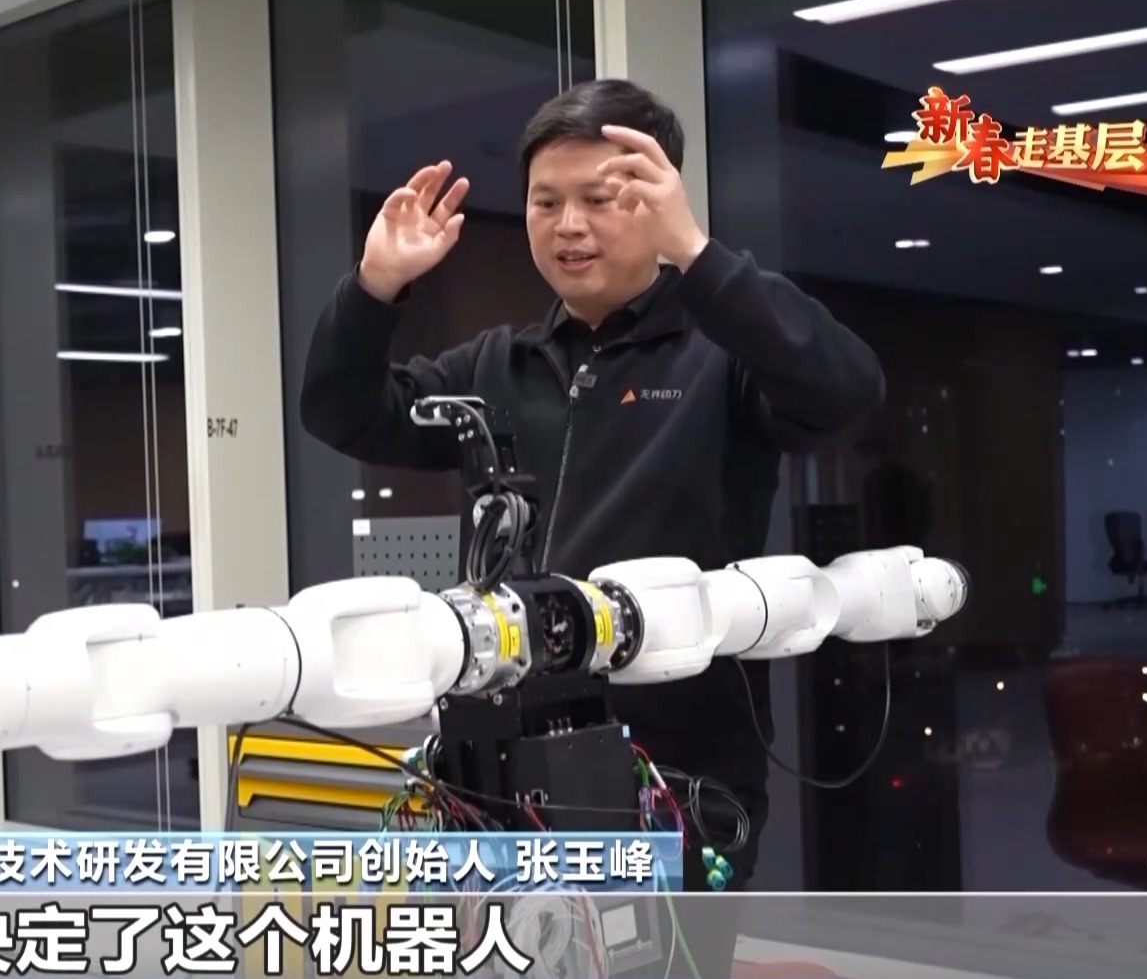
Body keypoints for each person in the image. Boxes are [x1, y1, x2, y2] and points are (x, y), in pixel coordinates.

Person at [300, 79, 884, 973]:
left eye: (601, 199)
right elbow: (343, 413)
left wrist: (698, 253)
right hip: (500, 771)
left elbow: (846, 390)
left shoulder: (722, 354)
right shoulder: (498, 366)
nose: (569, 225)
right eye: (546, 203)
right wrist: (376, 285)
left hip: (674, 773)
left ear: (657, 201)